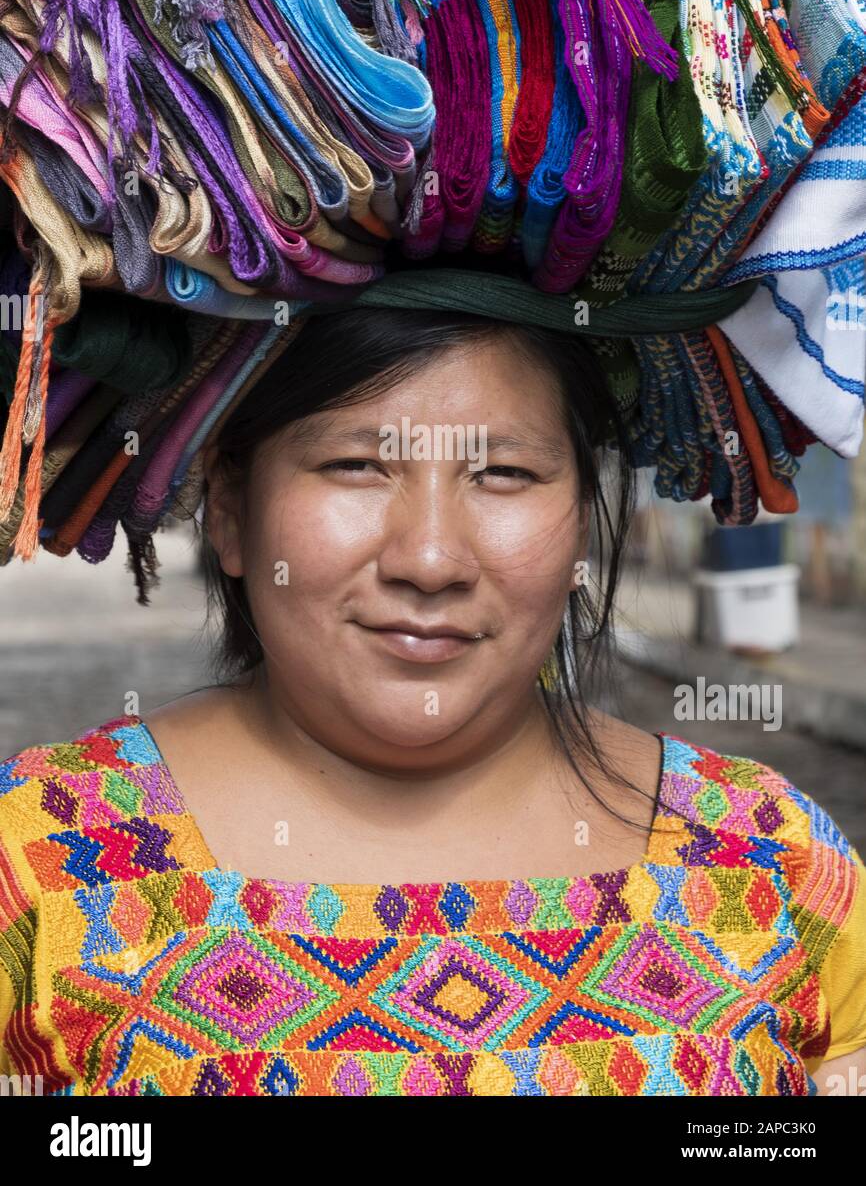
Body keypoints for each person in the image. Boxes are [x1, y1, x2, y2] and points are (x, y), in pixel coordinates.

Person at [1, 303, 864, 1097]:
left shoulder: (771, 861)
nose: (430, 558)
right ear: (230, 510)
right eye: (356, 465)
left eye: (503, 473)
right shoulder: (41, 854)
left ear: (581, 522)